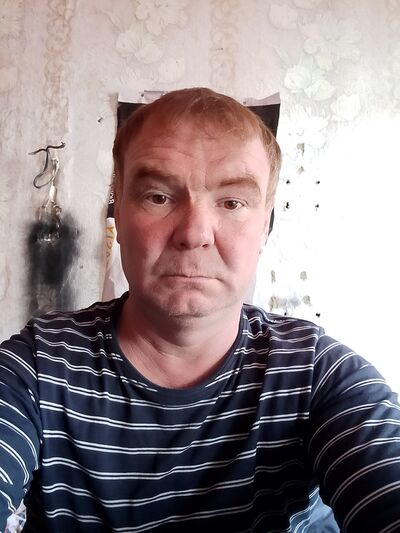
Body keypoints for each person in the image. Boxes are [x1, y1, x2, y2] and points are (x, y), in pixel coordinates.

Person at [1, 88, 399, 533]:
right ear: (119, 215)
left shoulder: (319, 374)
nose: (194, 234)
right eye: (157, 197)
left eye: (232, 203)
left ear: (264, 226)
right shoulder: (36, 366)